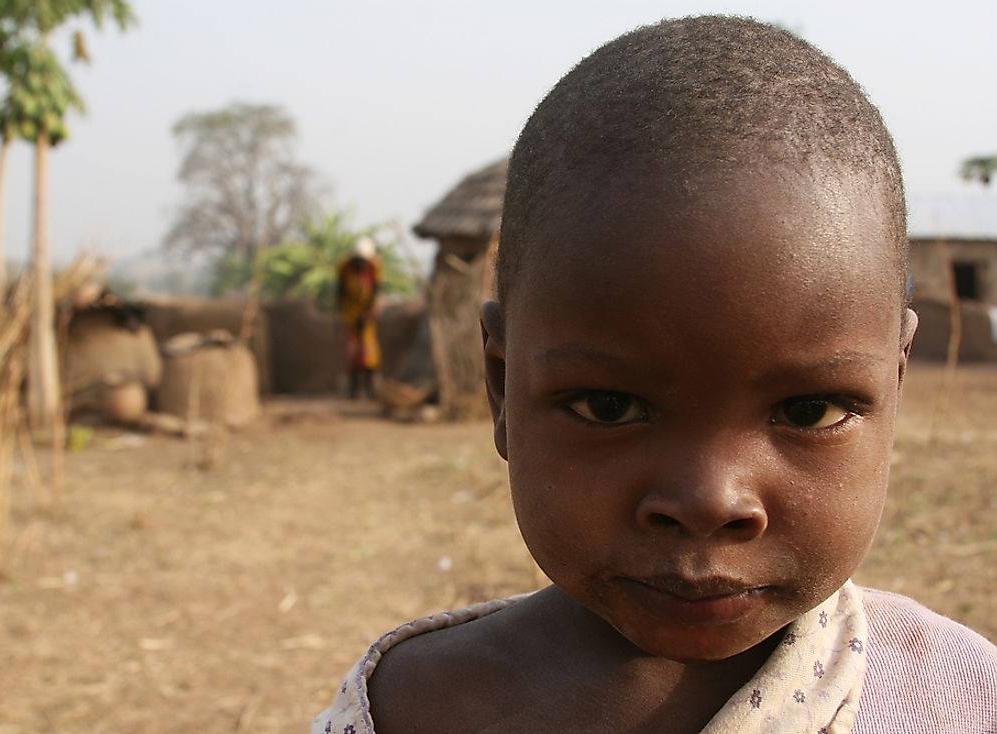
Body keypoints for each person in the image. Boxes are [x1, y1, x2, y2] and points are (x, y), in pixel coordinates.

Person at [314, 16, 997, 733]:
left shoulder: (958, 699)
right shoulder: (403, 711)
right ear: (500, 387)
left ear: (896, 385)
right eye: (608, 406)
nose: (710, 500)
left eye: (808, 412)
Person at [337, 236, 382, 399]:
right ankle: (353, 391)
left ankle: (370, 390)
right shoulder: (344, 268)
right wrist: (343, 315)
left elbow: (376, 291)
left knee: (369, 354)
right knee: (352, 353)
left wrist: (368, 314)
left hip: (367, 315)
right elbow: (340, 292)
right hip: (350, 315)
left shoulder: (374, 267)